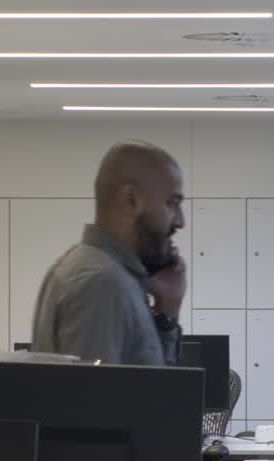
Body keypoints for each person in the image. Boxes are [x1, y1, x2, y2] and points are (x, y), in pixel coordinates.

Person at [31, 140, 186, 365]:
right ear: (131, 200)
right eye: (172, 203)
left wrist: (166, 313)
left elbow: (151, 383)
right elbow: (95, 389)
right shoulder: (102, 282)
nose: (180, 221)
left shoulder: (104, 273)